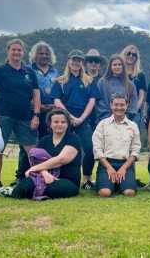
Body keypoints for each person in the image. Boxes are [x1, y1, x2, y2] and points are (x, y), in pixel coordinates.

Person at [0, 38, 40, 192]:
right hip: (3, 116)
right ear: (8, 51)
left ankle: (37, 179)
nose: (16, 52)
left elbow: (36, 95)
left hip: (25, 116)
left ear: (23, 53)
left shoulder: (29, 72)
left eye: (19, 50)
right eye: (13, 49)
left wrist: (36, 115)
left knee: (32, 150)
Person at [0, 109, 81, 199]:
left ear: (67, 124)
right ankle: (16, 191)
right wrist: (44, 173)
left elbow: (61, 160)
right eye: (56, 122)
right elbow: (36, 160)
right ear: (50, 124)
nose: (59, 124)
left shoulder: (73, 139)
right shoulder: (44, 140)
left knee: (53, 188)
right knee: (25, 184)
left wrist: (34, 169)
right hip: (42, 176)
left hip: (67, 179)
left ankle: (25, 193)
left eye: (63, 122)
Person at [51, 49, 99, 190]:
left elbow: (92, 101)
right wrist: (70, 117)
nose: (76, 62)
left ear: (82, 62)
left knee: (90, 149)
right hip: (65, 121)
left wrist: (81, 118)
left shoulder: (89, 81)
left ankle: (87, 179)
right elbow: (56, 100)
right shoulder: (60, 81)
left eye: (79, 60)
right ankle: (58, 176)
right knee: (61, 149)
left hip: (83, 121)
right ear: (68, 61)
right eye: (74, 59)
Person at [14, 41, 59, 183]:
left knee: (48, 144)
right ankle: (21, 176)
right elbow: (23, 92)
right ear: (34, 55)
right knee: (28, 145)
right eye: (40, 53)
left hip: (51, 115)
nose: (44, 56)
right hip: (32, 113)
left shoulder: (55, 72)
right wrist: (37, 107)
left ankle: (47, 174)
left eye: (46, 53)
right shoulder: (27, 70)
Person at [93, 93, 141, 197]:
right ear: (111, 105)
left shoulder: (133, 126)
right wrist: (109, 167)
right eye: (116, 104)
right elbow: (97, 149)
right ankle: (111, 183)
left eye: (122, 105)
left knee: (129, 193)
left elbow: (135, 150)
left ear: (127, 105)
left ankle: (121, 183)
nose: (119, 108)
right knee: (105, 193)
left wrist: (124, 168)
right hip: (106, 164)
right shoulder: (102, 124)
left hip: (126, 164)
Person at [96, 55, 138, 122]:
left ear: (123, 67)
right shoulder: (102, 82)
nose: (117, 67)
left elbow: (133, 105)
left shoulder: (130, 85)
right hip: (105, 121)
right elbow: (99, 103)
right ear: (110, 67)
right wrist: (109, 117)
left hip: (124, 121)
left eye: (119, 64)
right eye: (114, 65)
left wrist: (125, 117)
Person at [120, 44, 147, 127]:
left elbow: (141, 97)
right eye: (129, 53)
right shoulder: (119, 73)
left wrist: (134, 110)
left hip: (135, 114)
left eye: (134, 55)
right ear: (124, 55)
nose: (131, 56)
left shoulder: (140, 75)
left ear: (136, 58)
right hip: (118, 111)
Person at [85, 48, 106, 130]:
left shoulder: (104, 80)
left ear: (100, 63)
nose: (93, 63)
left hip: (100, 119)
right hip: (84, 118)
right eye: (90, 60)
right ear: (86, 63)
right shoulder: (80, 79)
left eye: (96, 61)